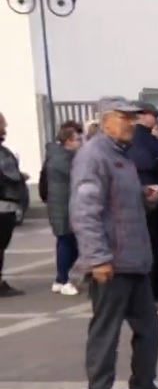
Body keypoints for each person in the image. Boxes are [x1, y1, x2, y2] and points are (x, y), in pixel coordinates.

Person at [69, 97, 158, 389]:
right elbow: (85, 212)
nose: (132, 123)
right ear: (105, 121)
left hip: (133, 261)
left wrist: (142, 197)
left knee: (148, 327)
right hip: (111, 263)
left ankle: (143, 386)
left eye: (134, 118)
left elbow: (117, 206)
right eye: (124, 118)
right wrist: (98, 258)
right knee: (106, 331)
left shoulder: (121, 156)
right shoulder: (94, 156)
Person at [127, 102, 158, 303]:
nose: (156, 119)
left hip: (157, 192)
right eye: (153, 115)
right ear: (143, 115)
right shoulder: (138, 136)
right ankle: (147, 293)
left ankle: (154, 290)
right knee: (149, 243)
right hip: (147, 193)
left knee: (156, 243)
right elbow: (146, 162)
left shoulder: (151, 136)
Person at [42, 124, 84, 295]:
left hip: (65, 205)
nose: (81, 142)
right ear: (68, 141)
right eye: (78, 140)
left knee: (68, 242)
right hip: (63, 206)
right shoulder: (61, 159)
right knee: (68, 242)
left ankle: (60, 278)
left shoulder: (65, 155)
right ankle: (62, 279)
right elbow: (79, 175)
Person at [0, 111, 27, 298]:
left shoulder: (4, 151)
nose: (6, 128)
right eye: (3, 124)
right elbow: (8, 175)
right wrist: (19, 178)